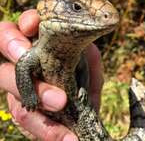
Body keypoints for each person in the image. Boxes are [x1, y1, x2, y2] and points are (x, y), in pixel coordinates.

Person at [0, 9, 103, 141]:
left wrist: (83, 87)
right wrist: (29, 96)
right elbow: (22, 67)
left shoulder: (79, 54)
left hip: (76, 109)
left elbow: (83, 70)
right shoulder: (37, 50)